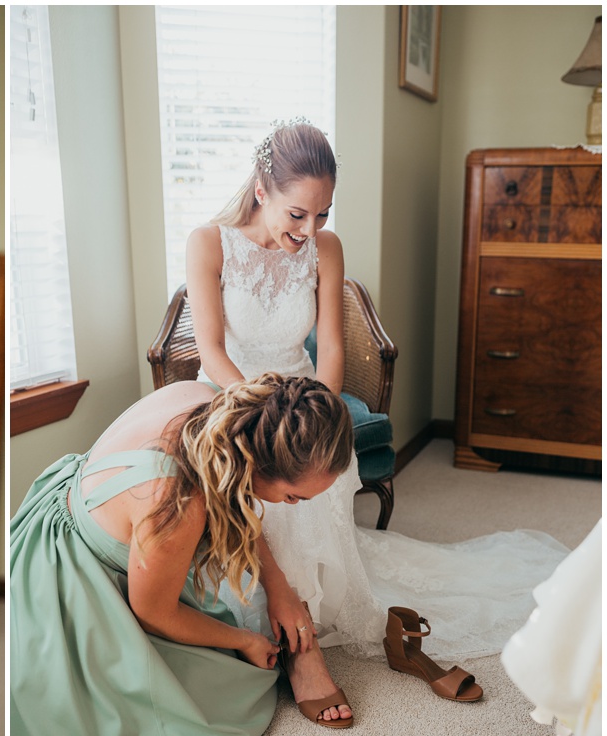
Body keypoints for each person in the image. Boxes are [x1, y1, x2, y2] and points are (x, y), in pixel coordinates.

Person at [184, 118, 567, 675]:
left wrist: (315, 416)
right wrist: (263, 412)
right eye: (298, 214)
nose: (310, 229)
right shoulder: (208, 242)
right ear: (262, 190)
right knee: (252, 467)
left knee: (313, 463)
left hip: (305, 395)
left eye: (322, 215)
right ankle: (274, 617)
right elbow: (211, 349)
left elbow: (333, 349)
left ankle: (308, 616)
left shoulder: (325, 249)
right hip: (230, 396)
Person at [10, 373, 354, 736]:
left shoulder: (213, 405)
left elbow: (237, 499)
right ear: (256, 464)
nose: (293, 508)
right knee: (194, 713)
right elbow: (154, 613)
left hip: (60, 508)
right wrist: (243, 640)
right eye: (293, 498)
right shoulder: (178, 501)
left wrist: (277, 583)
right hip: (67, 580)